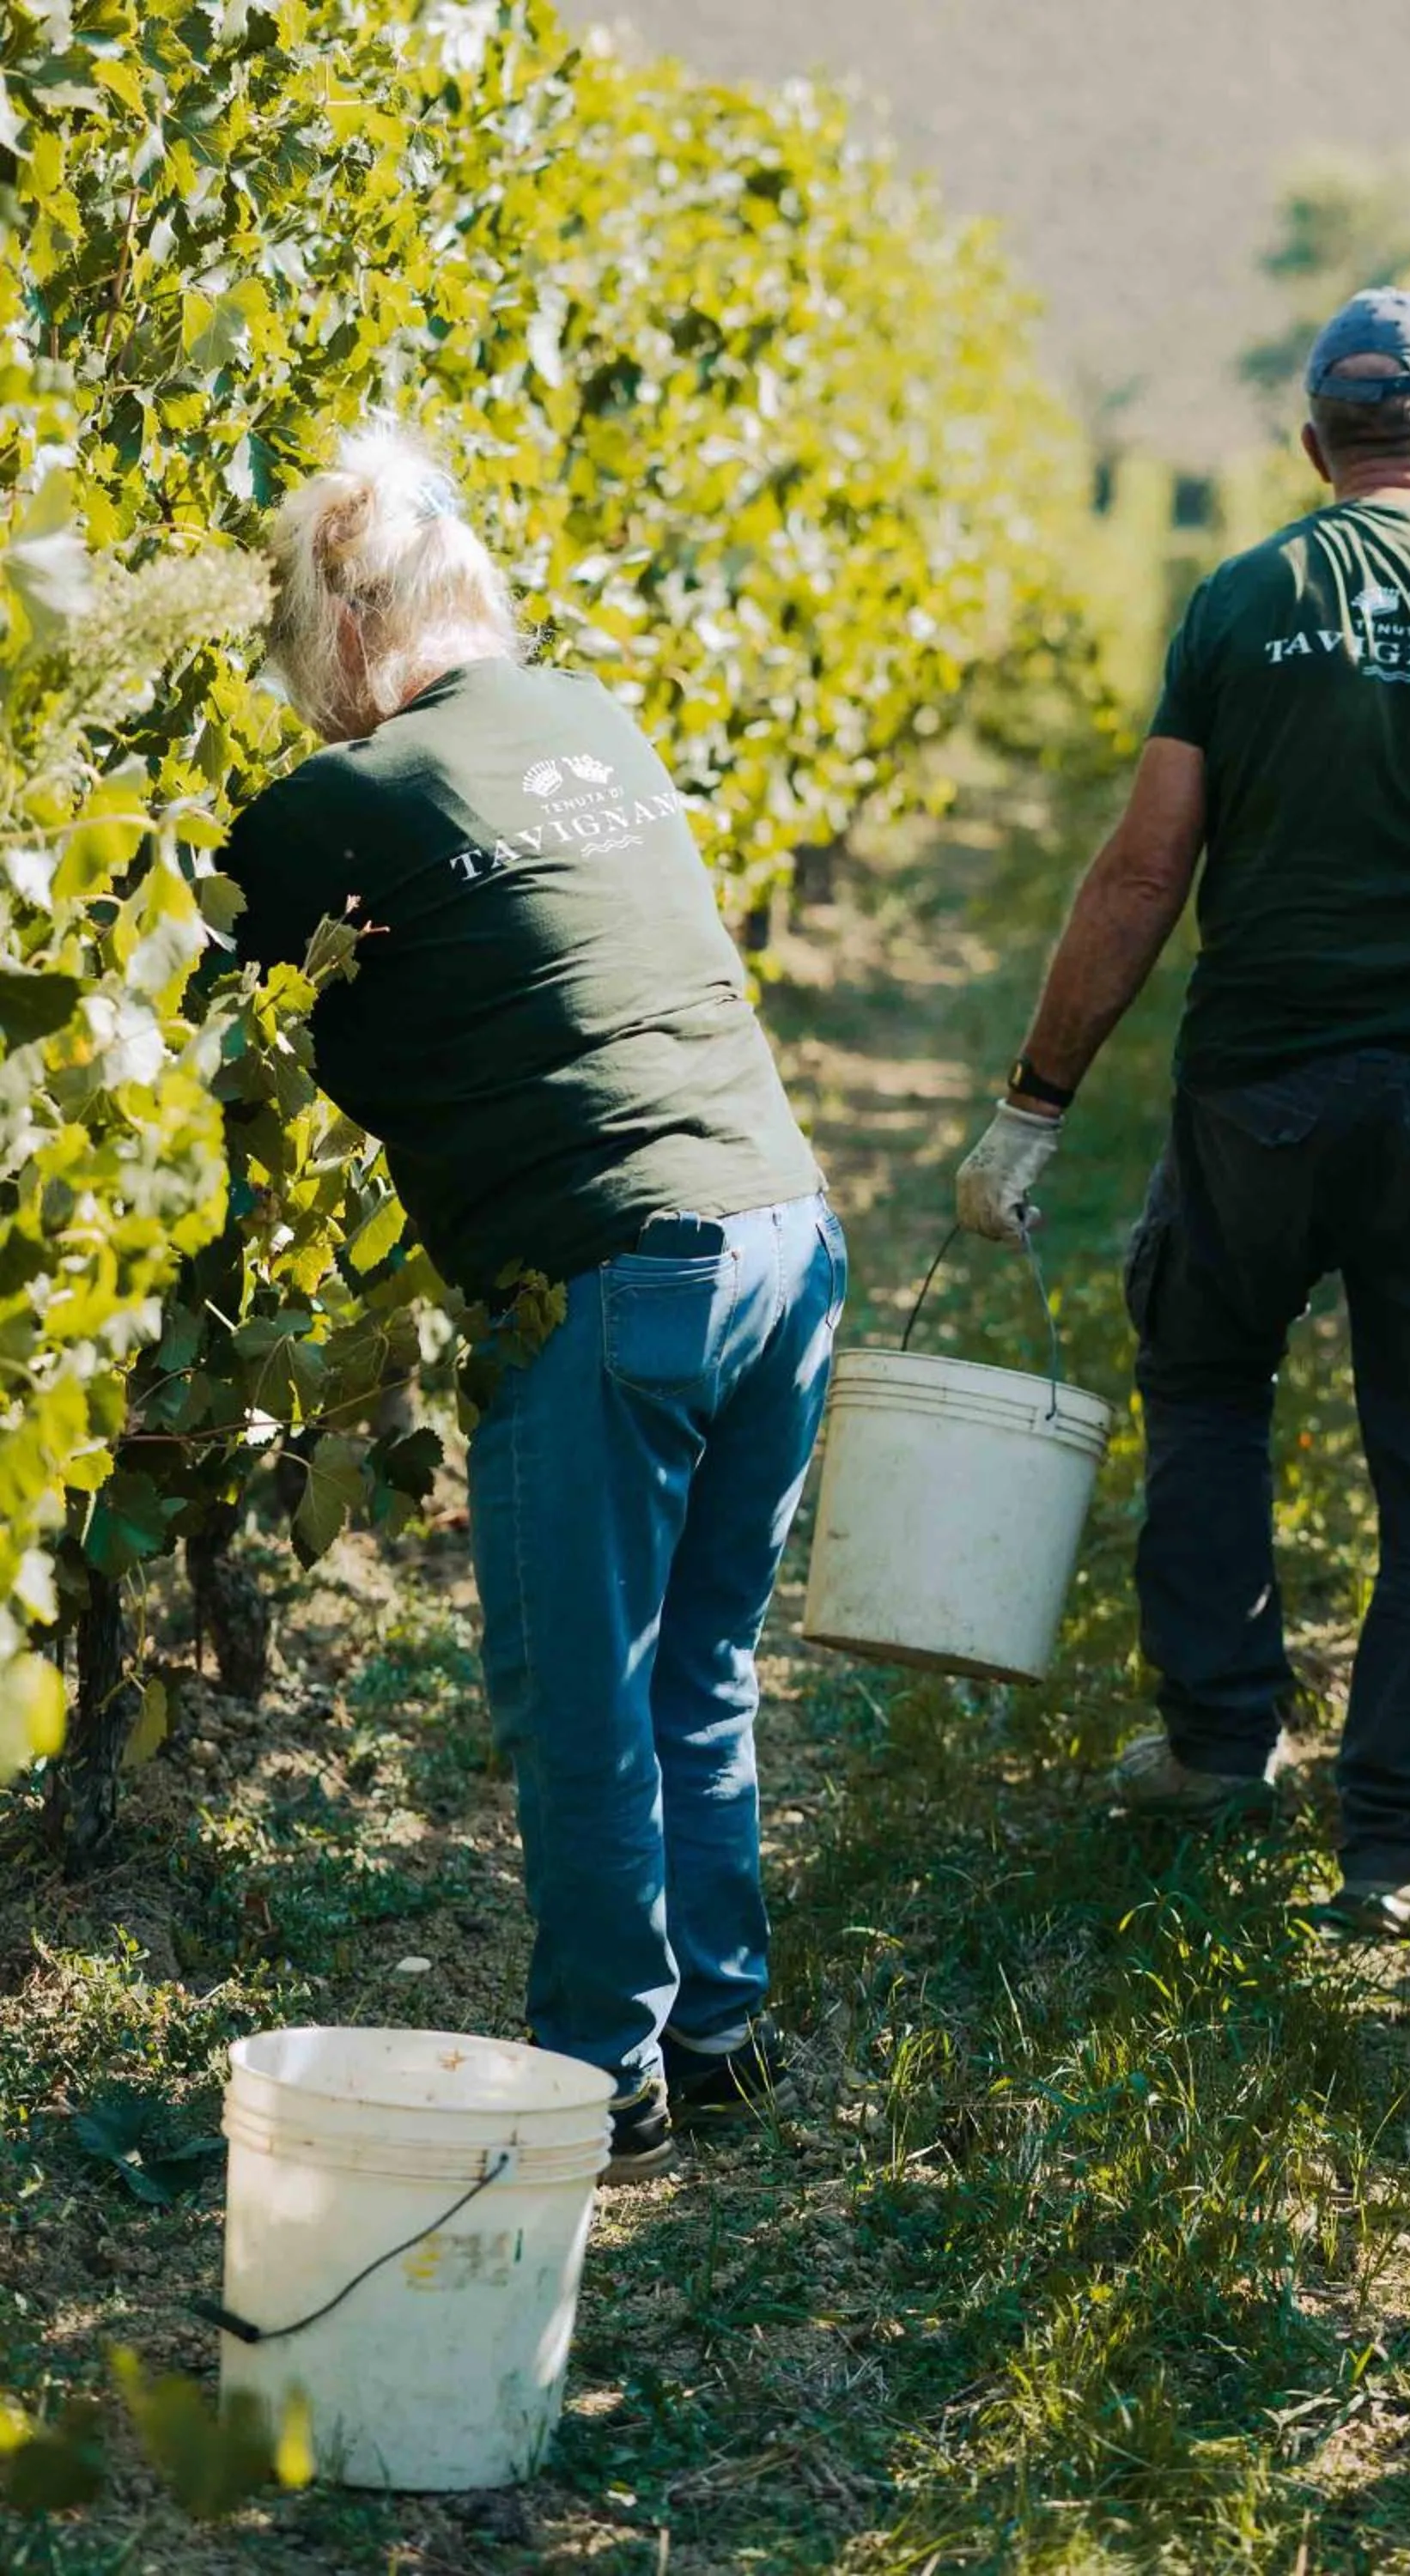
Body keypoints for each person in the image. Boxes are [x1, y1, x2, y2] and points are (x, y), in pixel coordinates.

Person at [956, 289, 1410, 1941]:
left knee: (1211, 1378)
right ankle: (1406, 1844)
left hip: (1261, 1097)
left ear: (1314, 447)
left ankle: (1220, 1747)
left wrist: (1036, 1102)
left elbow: (1145, 872)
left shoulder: (1245, 599)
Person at [227, 423, 842, 2178]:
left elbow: (215, 1016)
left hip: (618, 1272)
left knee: (581, 1698)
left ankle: (600, 2075)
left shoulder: (333, 807)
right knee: (697, 1668)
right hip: (786, 1238)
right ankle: (716, 2033)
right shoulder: (594, 719)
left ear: (349, 629)